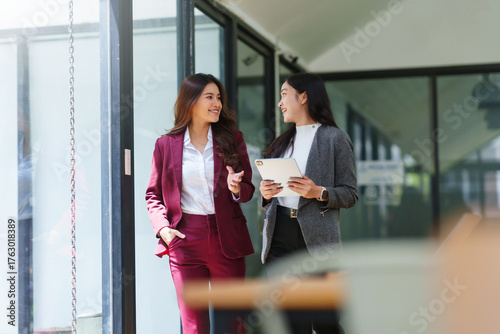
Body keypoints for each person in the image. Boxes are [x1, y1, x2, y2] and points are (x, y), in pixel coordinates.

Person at [146, 73, 255, 334]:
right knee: (193, 326)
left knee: (231, 323)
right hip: (185, 238)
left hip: (226, 239)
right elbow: (153, 195)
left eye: (219, 98)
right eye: (209, 97)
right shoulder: (165, 145)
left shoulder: (232, 140)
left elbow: (249, 189)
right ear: (191, 101)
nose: (217, 103)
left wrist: (236, 188)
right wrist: (163, 229)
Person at [259, 73, 358, 334]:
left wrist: (319, 192)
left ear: (303, 97)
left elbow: (350, 194)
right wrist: (266, 193)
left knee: (325, 320)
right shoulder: (281, 144)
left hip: (317, 239)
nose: (280, 102)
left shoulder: (335, 138)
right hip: (280, 234)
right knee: (292, 321)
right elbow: (270, 197)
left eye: (284, 94)